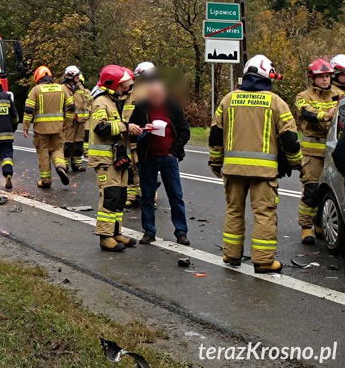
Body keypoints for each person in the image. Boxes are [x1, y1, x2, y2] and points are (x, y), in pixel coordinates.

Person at [209, 54, 302, 273]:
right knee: (264, 214)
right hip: (264, 172)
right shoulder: (276, 102)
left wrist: (215, 162)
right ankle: (263, 261)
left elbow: (215, 135)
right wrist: (295, 163)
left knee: (234, 211)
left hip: (232, 170)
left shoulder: (228, 100)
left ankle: (231, 255)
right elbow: (290, 139)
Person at [128, 80, 191, 245]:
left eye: (158, 95)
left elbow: (184, 131)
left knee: (176, 196)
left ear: (164, 94)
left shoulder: (172, 107)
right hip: (148, 157)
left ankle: (181, 232)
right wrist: (142, 129)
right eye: (152, 95)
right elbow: (132, 128)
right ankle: (149, 231)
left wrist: (173, 152)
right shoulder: (142, 107)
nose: (155, 98)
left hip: (168, 157)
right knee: (147, 196)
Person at [90, 65, 144, 252]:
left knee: (120, 197)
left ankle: (116, 232)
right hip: (105, 161)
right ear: (112, 85)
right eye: (122, 85)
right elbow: (101, 127)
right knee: (110, 197)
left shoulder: (114, 101)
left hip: (118, 158)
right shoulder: (101, 102)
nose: (125, 88)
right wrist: (124, 126)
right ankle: (105, 237)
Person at [294, 59, 341, 244]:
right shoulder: (303, 96)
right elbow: (306, 114)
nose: (325, 80)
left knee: (328, 191)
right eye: (321, 76)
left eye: (328, 76)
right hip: (312, 153)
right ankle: (306, 227)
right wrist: (326, 114)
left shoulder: (339, 94)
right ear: (313, 78)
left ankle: (321, 223)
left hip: (334, 150)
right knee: (311, 190)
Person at [22, 66, 71, 188]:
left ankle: (46, 180)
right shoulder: (61, 88)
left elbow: (29, 110)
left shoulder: (36, 90)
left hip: (41, 130)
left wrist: (25, 126)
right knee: (58, 149)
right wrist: (67, 122)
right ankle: (60, 166)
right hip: (58, 128)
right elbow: (71, 106)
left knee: (43, 153)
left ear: (38, 78)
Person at [122, 62, 157, 208]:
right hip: (131, 133)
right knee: (132, 166)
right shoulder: (133, 90)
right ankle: (133, 194)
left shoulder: (151, 91)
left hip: (143, 134)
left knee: (143, 166)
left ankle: (147, 195)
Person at [61, 66, 89, 172]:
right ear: (70, 76)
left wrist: (86, 115)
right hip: (68, 121)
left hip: (80, 121)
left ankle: (77, 164)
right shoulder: (62, 88)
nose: (78, 77)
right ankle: (65, 165)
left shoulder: (81, 88)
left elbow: (88, 102)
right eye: (76, 75)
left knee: (78, 144)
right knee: (67, 144)